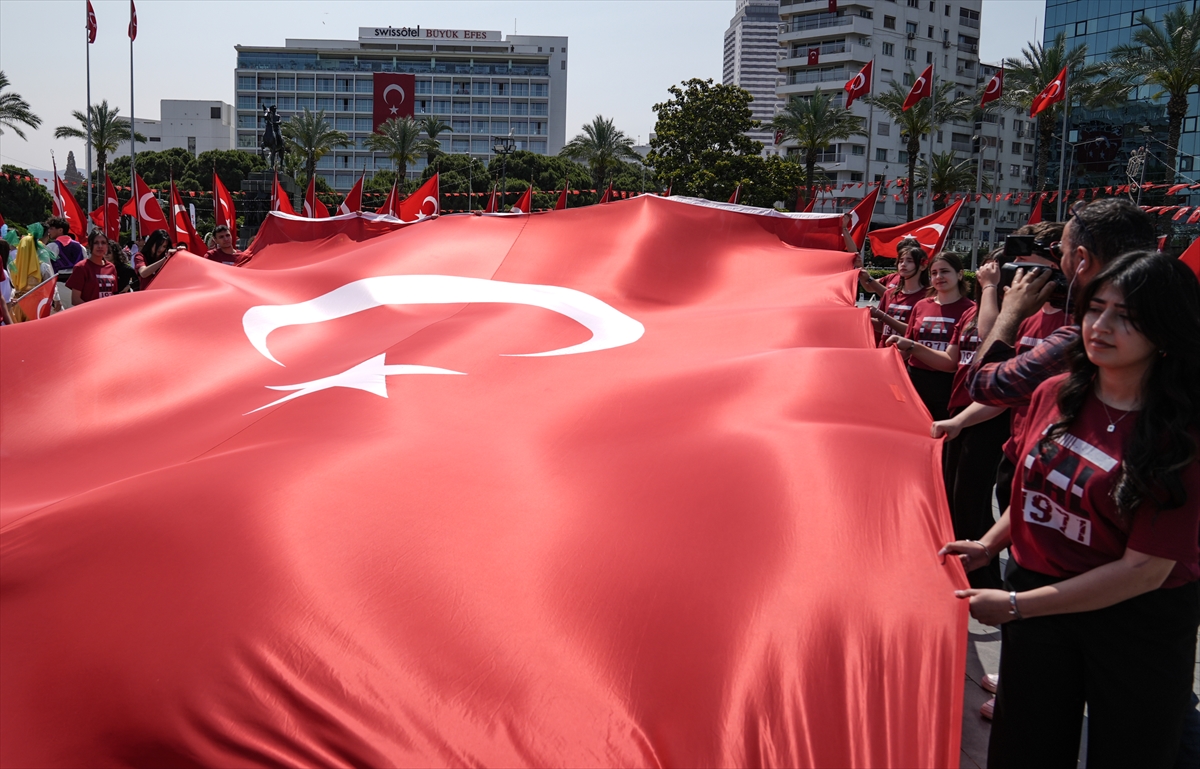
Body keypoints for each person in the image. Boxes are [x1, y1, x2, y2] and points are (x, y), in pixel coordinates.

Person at [941, 251, 1200, 767]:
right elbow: (1036, 489)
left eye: (1125, 316)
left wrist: (1016, 607)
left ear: (1166, 329)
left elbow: (1145, 570)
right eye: (1095, 308)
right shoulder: (1054, 393)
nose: (1100, 326)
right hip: (1039, 601)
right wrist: (988, 545)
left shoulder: (1181, 435)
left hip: (1135, 621)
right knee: (1024, 747)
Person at [886, 251, 975, 422]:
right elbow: (905, 349)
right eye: (934, 273)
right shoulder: (921, 306)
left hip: (948, 385)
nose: (939, 277)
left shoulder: (970, 309)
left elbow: (953, 361)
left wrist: (912, 346)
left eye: (945, 271)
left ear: (960, 274)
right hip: (916, 380)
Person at [869, 242, 927, 346]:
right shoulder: (889, 293)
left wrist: (882, 315)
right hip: (885, 351)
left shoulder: (928, 296)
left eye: (909, 261)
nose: (903, 264)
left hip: (907, 354)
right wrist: (862, 316)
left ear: (922, 266)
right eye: (901, 261)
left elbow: (915, 333)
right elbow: (882, 327)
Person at [66, 230, 118, 305]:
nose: (100, 246)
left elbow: (113, 294)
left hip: (108, 311)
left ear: (107, 246)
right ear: (90, 245)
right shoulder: (81, 267)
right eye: (96, 243)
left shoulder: (111, 267)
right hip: (89, 312)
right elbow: (75, 300)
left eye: (103, 243)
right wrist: (95, 310)